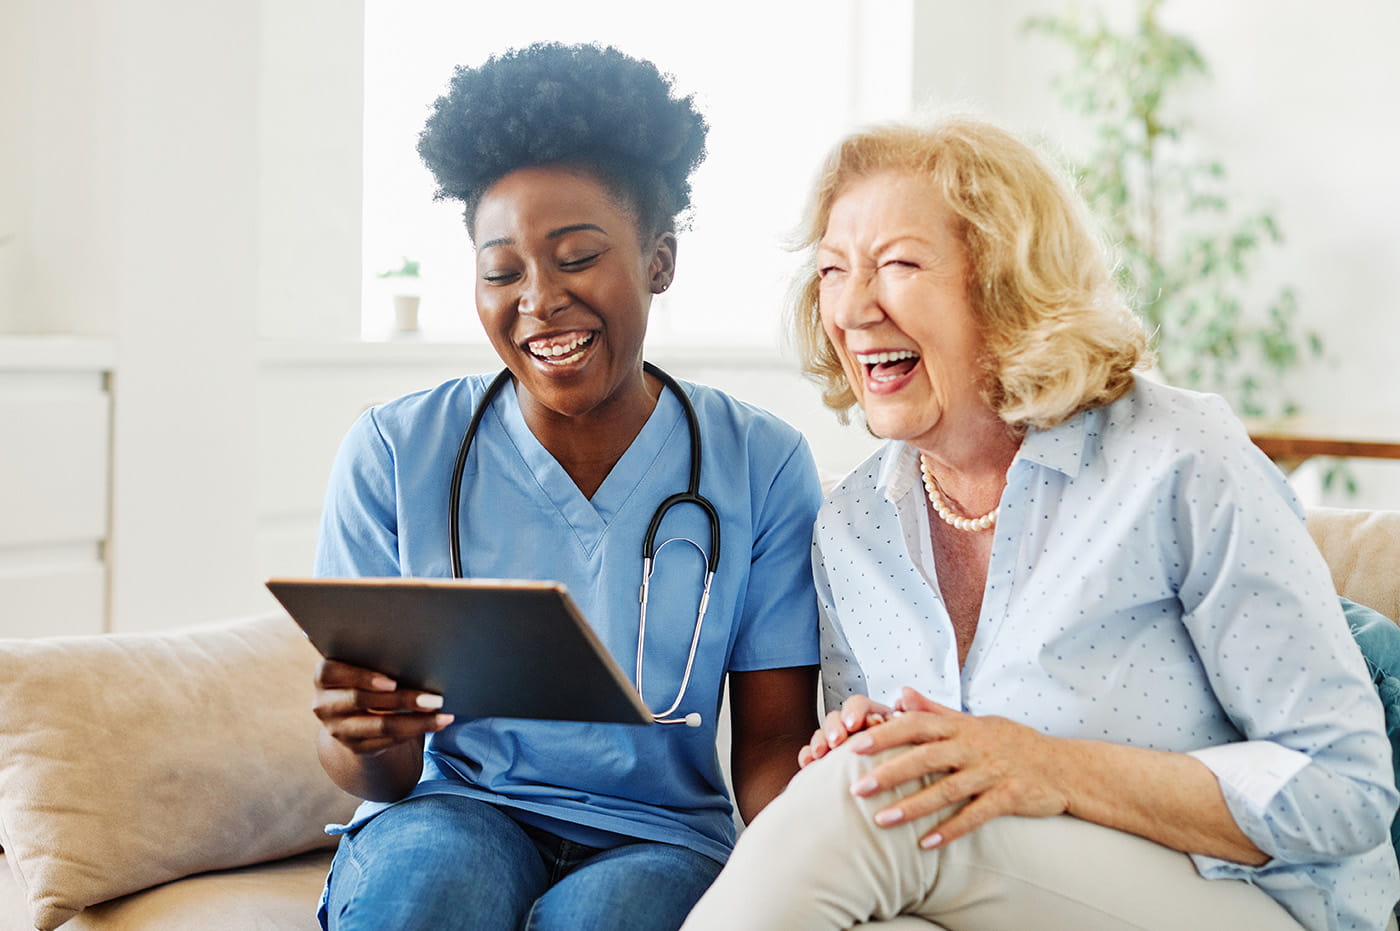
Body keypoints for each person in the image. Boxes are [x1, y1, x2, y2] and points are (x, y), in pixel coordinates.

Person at [682, 116, 1399, 930]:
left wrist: (1045, 766)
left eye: (897, 265)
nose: (851, 307)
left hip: (1253, 901)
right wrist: (873, 743)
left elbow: (1347, 789)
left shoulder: (1176, 457)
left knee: (869, 806)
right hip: (1011, 900)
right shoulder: (853, 527)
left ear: (1003, 284)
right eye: (833, 272)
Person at [311, 43, 821, 931]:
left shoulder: (762, 463)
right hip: (453, 808)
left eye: (577, 257)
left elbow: (775, 742)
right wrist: (362, 739)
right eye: (501, 271)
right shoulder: (396, 452)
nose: (539, 300)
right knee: (431, 891)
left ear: (658, 259)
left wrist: (813, 879)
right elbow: (374, 770)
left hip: (661, 838)